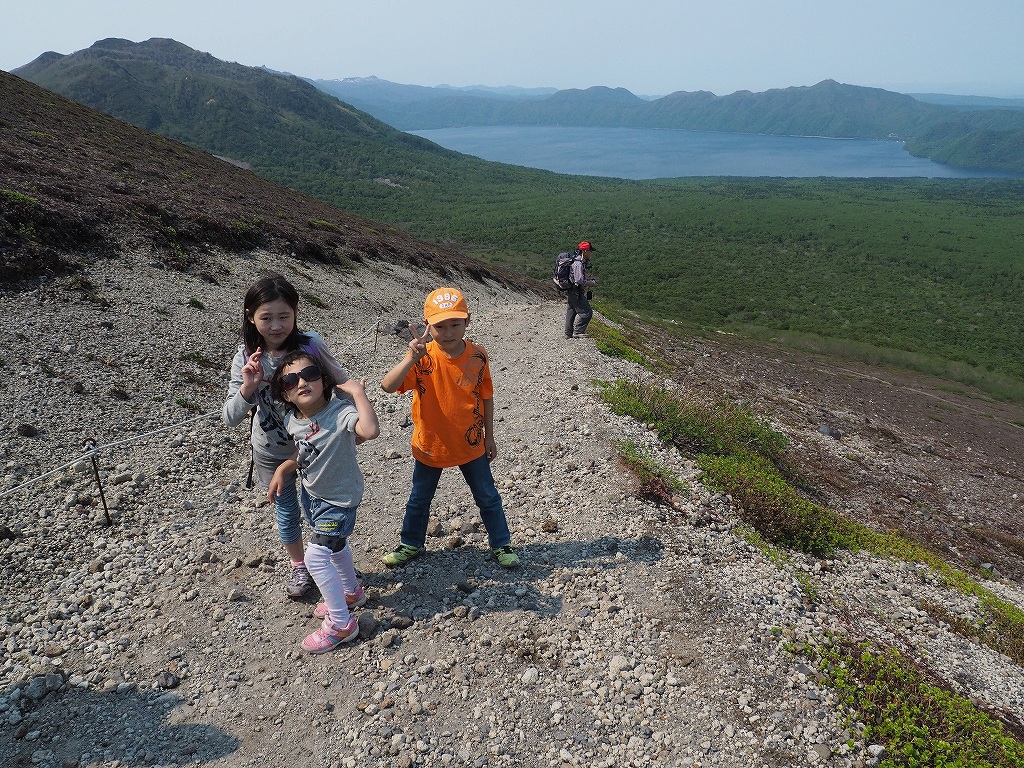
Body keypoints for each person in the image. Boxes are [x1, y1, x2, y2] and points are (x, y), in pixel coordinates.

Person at [222, 274, 350, 599]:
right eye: (266, 317)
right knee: (287, 510)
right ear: (251, 316)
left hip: (314, 446)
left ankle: (330, 556)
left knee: (319, 507)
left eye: (284, 316)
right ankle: (300, 566)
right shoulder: (246, 356)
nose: (276, 325)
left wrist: (352, 426)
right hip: (269, 449)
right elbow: (230, 416)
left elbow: (341, 383)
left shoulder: (310, 345)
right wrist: (248, 387)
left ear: (295, 312)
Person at [379, 287, 520, 569]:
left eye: (455, 323)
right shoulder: (423, 357)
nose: (448, 332)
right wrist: (410, 357)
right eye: (440, 325)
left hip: (470, 443)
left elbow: (486, 396)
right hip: (430, 443)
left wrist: (489, 436)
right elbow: (387, 386)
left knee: (488, 496)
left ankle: (501, 543)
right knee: (419, 499)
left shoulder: (478, 355)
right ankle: (411, 543)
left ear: (468, 321)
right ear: (427, 325)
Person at [267, 351, 380, 653]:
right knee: (336, 546)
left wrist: (357, 393)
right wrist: (284, 467)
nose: (301, 382)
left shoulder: (340, 412)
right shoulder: (294, 420)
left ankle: (342, 624)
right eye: (290, 380)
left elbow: (369, 431)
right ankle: (351, 592)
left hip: (339, 499)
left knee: (316, 557)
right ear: (285, 393)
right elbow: (303, 452)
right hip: (314, 496)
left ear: (324, 380)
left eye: (310, 374)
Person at [565, 241, 597, 339]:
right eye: (590, 251)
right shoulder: (578, 263)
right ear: (585, 251)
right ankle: (578, 331)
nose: (591, 253)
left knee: (571, 311)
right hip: (576, 291)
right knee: (587, 313)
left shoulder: (576, 261)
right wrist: (590, 283)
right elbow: (578, 280)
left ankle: (568, 333)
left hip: (572, 290)